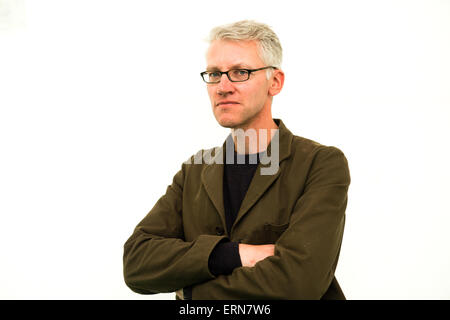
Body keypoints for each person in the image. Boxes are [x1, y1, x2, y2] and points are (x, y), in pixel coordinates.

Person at [123, 20, 351, 300]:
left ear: (275, 82)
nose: (223, 86)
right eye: (214, 74)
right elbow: (137, 262)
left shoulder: (321, 164)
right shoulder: (194, 171)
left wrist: (192, 292)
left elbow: (298, 284)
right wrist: (232, 254)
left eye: (240, 72)